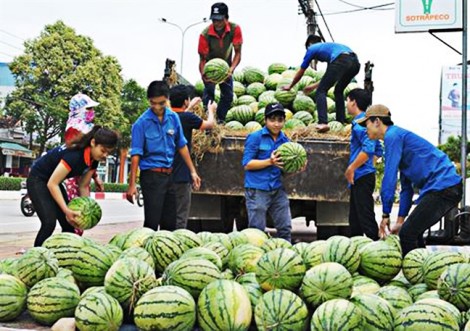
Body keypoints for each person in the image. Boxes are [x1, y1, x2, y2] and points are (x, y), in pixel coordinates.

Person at [357, 104, 462, 256]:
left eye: (366, 124)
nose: (365, 130)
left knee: (408, 235)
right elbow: (406, 188)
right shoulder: (397, 138)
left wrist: (385, 214)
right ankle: (424, 271)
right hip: (443, 187)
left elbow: (389, 177)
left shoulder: (392, 137)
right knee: (413, 232)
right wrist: (400, 221)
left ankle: (417, 274)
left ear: (377, 121)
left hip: (444, 187)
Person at [126, 81, 201, 231]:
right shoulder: (141, 123)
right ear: (149, 101)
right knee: (152, 222)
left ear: (167, 99)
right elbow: (136, 155)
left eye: (161, 103)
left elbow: (181, 145)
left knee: (170, 224)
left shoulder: (173, 118)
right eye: (153, 103)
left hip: (170, 175)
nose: (157, 107)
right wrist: (132, 184)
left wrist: (192, 171)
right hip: (151, 177)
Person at [27, 126, 118, 246]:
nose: (105, 155)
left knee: (69, 226)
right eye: (103, 150)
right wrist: (66, 210)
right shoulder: (74, 156)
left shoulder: (94, 160)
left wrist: (87, 209)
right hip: (38, 180)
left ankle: (66, 256)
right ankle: (36, 257)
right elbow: (52, 184)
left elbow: (83, 186)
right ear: (93, 143)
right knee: (49, 223)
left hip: (53, 182)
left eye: (108, 152)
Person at [283, 35, 360, 133]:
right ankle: (340, 121)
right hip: (355, 63)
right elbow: (329, 78)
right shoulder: (332, 51)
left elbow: (301, 71)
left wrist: (290, 85)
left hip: (342, 60)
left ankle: (323, 122)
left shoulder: (311, 48)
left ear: (309, 44)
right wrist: (313, 86)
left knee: (320, 92)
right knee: (338, 91)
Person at [242, 102, 294, 242]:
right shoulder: (255, 137)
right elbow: (247, 164)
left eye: (280, 120)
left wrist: (296, 168)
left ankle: (286, 255)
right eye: (272, 120)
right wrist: (269, 162)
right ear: (265, 120)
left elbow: (285, 169)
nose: (276, 124)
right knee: (257, 231)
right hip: (257, 189)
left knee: (285, 228)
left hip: (277, 188)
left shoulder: (285, 141)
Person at [169, 84, 217, 229]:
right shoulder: (188, 118)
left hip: (164, 174)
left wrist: (189, 106)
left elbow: (180, 117)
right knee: (181, 216)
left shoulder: (166, 117)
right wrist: (211, 110)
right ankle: (178, 242)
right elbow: (209, 124)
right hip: (182, 174)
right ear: (185, 101)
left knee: (167, 214)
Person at [344, 88, 383, 240]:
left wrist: (352, 168)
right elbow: (378, 149)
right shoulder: (365, 121)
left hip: (361, 176)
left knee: (365, 217)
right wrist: (369, 164)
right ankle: (356, 248)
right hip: (363, 175)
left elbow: (369, 148)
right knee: (355, 220)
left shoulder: (361, 123)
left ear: (353, 102)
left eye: (347, 100)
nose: (346, 104)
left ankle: (377, 247)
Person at [64, 93, 104, 236]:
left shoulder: (87, 127)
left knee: (83, 213)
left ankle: (76, 241)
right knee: (77, 214)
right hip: (72, 177)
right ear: (79, 109)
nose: (91, 112)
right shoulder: (74, 129)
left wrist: (95, 176)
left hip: (83, 176)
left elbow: (91, 158)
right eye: (88, 109)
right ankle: (72, 242)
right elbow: (80, 156)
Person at [198, 2, 242, 123]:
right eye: (214, 20)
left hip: (226, 67)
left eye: (219, 20)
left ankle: (220, 119)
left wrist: (231, 70)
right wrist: (204, 75)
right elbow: (202, 59)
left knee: (228, 96)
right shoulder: (205, 34)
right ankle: (208, 120)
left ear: (226, 18)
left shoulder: (235, 29)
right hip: (209, 68)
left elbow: (238, 53)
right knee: (209, 95)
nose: (216, 23)